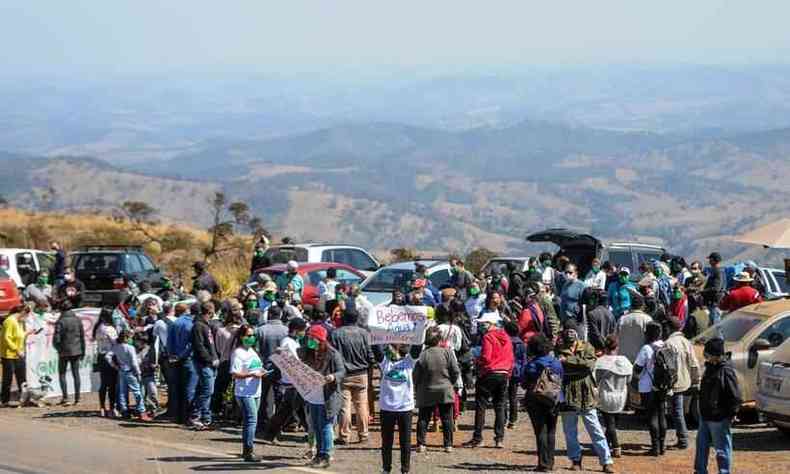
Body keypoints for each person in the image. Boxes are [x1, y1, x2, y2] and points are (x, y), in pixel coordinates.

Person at [557, 319, 615, 473]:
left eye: (572, 330)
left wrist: (568, 361)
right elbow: (562, 368)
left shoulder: (587, 346)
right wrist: (577, 365)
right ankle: (575, 460)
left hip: (586, 393)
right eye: (567, 330)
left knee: (595, 429)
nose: (570, 333)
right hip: (567, 394)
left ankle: (606, 461)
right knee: (570, 431)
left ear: (577, 333)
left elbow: (589, 365)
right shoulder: (559, 348)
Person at [465, 313, 514, 449]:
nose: (482, 325)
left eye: (484, 323)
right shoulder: (507, 337)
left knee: (481, 406)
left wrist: (476, 361)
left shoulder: (488, 337)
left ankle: (478, 437)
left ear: (491, 323)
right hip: (503, 373)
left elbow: (486, 357)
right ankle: (499, 438)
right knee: (500, 406)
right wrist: (508, 372)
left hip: (489, 373)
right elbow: (511, 358)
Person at [694, 338, 742, 474]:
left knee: (722, 450)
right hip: (705, 416)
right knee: (701, 447)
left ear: (716, 355)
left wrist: (731, 414)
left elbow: (735, 397)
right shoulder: (710, 368)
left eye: (708, 355)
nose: (706, 357)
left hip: (719, 418)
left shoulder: (726, 371)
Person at [301, 324, 346, 468]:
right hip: (313, 396)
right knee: (316, 425)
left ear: (320, 340)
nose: (310, 341)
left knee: (326, 425)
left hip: (328, 396)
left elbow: (342, 371)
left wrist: (332, 377)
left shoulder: (333, 354)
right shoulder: (307, 352)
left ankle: (326, 455)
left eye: (312, 338)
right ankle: (319, 454)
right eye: (308, 338)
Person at [330, 308, 375, 445]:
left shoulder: (336, 334)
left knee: (345, 407)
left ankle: (344, 436)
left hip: (343, 374)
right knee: (362, 405)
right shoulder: (364, 334)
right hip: (361, 374)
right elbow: (370, 354)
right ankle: (364, 434)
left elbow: (332, 355)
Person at [261, 318, 308, 444]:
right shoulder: (288, 342)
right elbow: (295, 362)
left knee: (298, 409)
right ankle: (270, 434)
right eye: (303, 330)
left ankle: (311, 432)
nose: (304, 333)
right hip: (292, 381)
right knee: (288, 410)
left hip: (295, 381)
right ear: (296, 330)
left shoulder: (293, 342)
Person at [414, 327, 460, 453]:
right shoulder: (447, 352)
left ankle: (421, 444)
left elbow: (416, 374)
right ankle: (448, 445)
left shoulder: (423, 355)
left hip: (427, 389)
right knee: (447, 418)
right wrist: (451, 383)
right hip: (445, 389)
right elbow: (455, 371)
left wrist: (416, 387)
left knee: (424, 418)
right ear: (439, 339)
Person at [523, 333, 564, 472]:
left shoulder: (532, 365)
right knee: (551, 430)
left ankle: (543, 463)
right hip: (554, 399)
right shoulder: (556, 363)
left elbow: (524, 383)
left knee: (540, 430)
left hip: (535, 399)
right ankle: (550, 462)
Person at [664, 316, 701, 450]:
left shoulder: (668, 343)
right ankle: (682, 437)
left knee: (677, 411)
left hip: (674, 383)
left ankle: (683, 439)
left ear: (669, 328)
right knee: (677, 410)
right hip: (685, 380)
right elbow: (694, 363)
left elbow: (669, 367)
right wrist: (696, 380)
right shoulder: (686, 341)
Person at [231, 324, 266, 462]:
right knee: (251, 420)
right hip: (244, 392)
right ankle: (248, 451)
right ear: (241, 337)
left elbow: (256, 366)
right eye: (249, 335)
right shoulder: (238, 353)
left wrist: (262, 372)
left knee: (250, 421)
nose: (252, 338)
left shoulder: (252, 351)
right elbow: (235, 374)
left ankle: (247, 449)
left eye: (253, 335)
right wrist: (251, 375)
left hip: (255, 391)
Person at [379, 344, 415, 474]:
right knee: (386, 441)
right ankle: (386, 468)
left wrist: (422, 326)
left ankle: (405, 469)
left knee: (405, 441)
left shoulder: (409, 361)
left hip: (405, 407)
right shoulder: (385, 362)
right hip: (387, 407)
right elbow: (375, 348)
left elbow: (417, 345)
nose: (392, 351)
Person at [594, 335, 632, 459]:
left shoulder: (600, 362)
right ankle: (604, 444)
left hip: (606, 395)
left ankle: (616, 447)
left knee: (610, 424)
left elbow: (595, 380)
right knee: (613, 423)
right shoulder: (625, 361)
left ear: (605, 346)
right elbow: (629, 379)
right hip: (621, 396)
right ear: (617, 346)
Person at [634, 321, 667, 456]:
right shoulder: (665, 346)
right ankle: (663, 445)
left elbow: (637, 368)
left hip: (648, 387)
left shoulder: (646, 349)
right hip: (663, 386)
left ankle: (655, 447)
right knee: (661, 414)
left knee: (652, 416)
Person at [107, 329, 152, 421]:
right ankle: (142, 412)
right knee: (137, 392)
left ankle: (125, 411)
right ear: (126, 337)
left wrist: (115, 366)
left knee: (122, 392)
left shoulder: (116, 346)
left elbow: (107, 356)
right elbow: (134, 363)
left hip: (122, 371)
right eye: (130, 337)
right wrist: (138, 373)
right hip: (131, 371)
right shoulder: (130, 348)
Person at [255, 305, 288, 421]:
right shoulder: (286, 330)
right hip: (282, 368)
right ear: (280, 315)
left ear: (269, 314)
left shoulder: (260, 330)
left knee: (263, 395)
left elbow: (256, 350)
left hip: (265, 367)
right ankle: (279, 421)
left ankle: (262, 420)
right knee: (280, 395)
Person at [191, 301, 219, 429]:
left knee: (205, 390)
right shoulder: (198, 325)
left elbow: (210, 345)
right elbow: (199, 346)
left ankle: (205, 417)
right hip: (204, 363)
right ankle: (198, 416)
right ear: (210, 311)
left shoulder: (205, 325)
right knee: (208, 390)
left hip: (210, 363)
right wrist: (210, 359)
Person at [167, 303, 196, 424]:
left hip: (175, 360)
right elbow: (191, 344)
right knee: (189, 389)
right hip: (187, 359)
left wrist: (173, 356)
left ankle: (177, 416)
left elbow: (169, 342)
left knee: (177, 388)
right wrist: (181, 356)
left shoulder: (174, 323)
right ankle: (187, 417)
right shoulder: (190, 324)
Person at [0, 304, 35, 407]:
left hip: (19, 354)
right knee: (8, 378)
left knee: (22, 377)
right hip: (9, 354)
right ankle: (4, 400)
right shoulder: (9, 321)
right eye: (27, 315)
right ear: (22, 312)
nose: (27, 318)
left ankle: (24, 399)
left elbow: (18, 335)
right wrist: (16, 350)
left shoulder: (19, 322)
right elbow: (7, 338)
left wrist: (27, 333)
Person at [212, 303, 243, 415]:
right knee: (238, 388)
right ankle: (236, 412)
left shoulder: (221, 330)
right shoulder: (243, 331)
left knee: (220, 388)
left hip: (224, 361)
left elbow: (218, 348)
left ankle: (216, 410)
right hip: (240, 362)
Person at [53, 306, 86, 405]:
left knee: (62, 374)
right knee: (76, 374)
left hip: (63, 351)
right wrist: (83, 351)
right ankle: (78, 398)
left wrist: (58, 348)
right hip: (76, 350)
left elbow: (56, 338)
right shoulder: (77, 320)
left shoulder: (61, 321)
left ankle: (65, 397)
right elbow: (82, 337)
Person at [93, 307, 119, 417]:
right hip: (110, 356)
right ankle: (112, 408)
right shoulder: (110, 329)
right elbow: (116, 343)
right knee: (112, 384)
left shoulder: (97, 327)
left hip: (101, 356)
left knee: (103, 383)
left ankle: (102, 407)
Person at [617, 291, 652, 364]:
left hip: (623, 359)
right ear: (642, 306)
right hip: (640, 360)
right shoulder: (647, 319)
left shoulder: (622, 319)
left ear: (631, 305)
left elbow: (616, 337)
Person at [504, 321, 526, 430]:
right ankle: (512, 421)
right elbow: (523, 360)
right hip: (515, 371)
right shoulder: (521, 344)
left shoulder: (504, 341)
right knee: (513, 396)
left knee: (502, 396)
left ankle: (502, 419)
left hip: (504, 369)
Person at [584, 288, 616, 353]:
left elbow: (595, 333)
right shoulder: (611, 314)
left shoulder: (591, 314)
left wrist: (603, 346)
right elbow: (613, 333)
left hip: (595, 349)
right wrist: (607, 347)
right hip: (607, 349)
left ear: (597, 300)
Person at [703, 252, 726, 326]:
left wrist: (703, 291)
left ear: (713, 260)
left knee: (715, 324)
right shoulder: (719, 270)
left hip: (714, 302)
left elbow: (716, 288)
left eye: (710, 259)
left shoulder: (717, 271)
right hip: (715, 301)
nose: (709, 261)